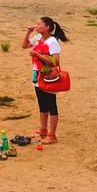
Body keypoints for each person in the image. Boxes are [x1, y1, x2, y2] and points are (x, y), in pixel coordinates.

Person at [27, 16, 68, 146]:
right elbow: (24, 45)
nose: (36, 26)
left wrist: (38, 55)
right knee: (42, 105)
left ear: (47, 27)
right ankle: (43, 131)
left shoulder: (52, 42)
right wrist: (28, 33)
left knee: (51, 106)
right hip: (38, 76)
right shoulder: (38, 38)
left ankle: (52, 135)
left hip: (49, 77)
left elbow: (56, 62)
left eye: (39, 24)